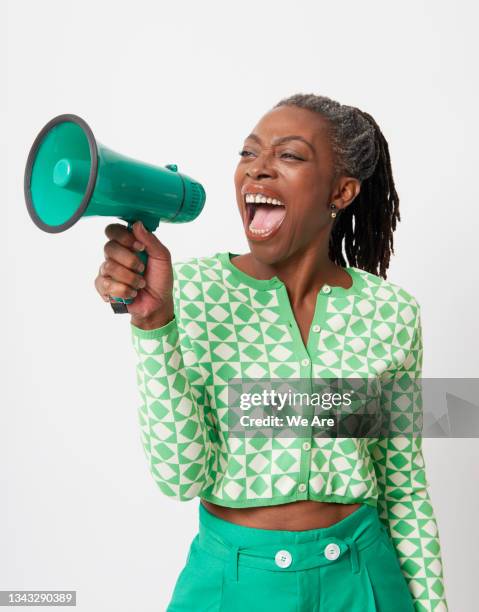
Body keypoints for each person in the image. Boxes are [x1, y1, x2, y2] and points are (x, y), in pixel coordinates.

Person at [94, 93, 448, 611]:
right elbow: (180, 476)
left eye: (289, 155)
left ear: (342, 191)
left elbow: (404, 487)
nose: (258, 170)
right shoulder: (188, 292)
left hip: (364, 580)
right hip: (231, 584)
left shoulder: (390, 313)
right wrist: (153, 325)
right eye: (248, 154)